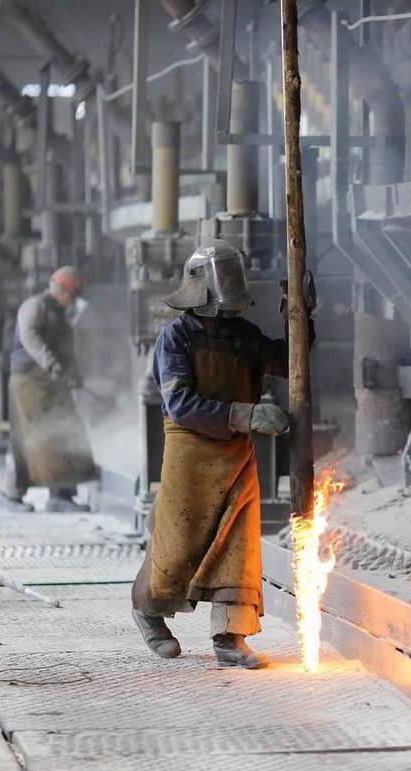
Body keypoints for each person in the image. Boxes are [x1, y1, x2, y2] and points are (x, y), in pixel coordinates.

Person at [131, 240, 304, 669]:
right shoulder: (176, 338)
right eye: (221, 306)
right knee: (178, 542)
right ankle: (149, 612)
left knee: (237, 546)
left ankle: (230, 637)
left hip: (236, 454)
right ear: (199, 293)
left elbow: (290, 362)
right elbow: (180, 405)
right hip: (191, 452)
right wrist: (245, 414)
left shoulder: (242, 336)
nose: (228, 315)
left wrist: (301, 321)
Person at [0, 267, 98, 513]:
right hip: (30, 383)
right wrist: (50, 362)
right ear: (61, 290)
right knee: (28, 439)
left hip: (53, 382)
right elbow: (30, 337)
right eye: (71, 295)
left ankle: (60, 495)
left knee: (64, 432)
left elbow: (66, 349)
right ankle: (9, 493)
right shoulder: (34, 306)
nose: (72, 301)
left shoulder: (61, 314)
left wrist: (74, 375)